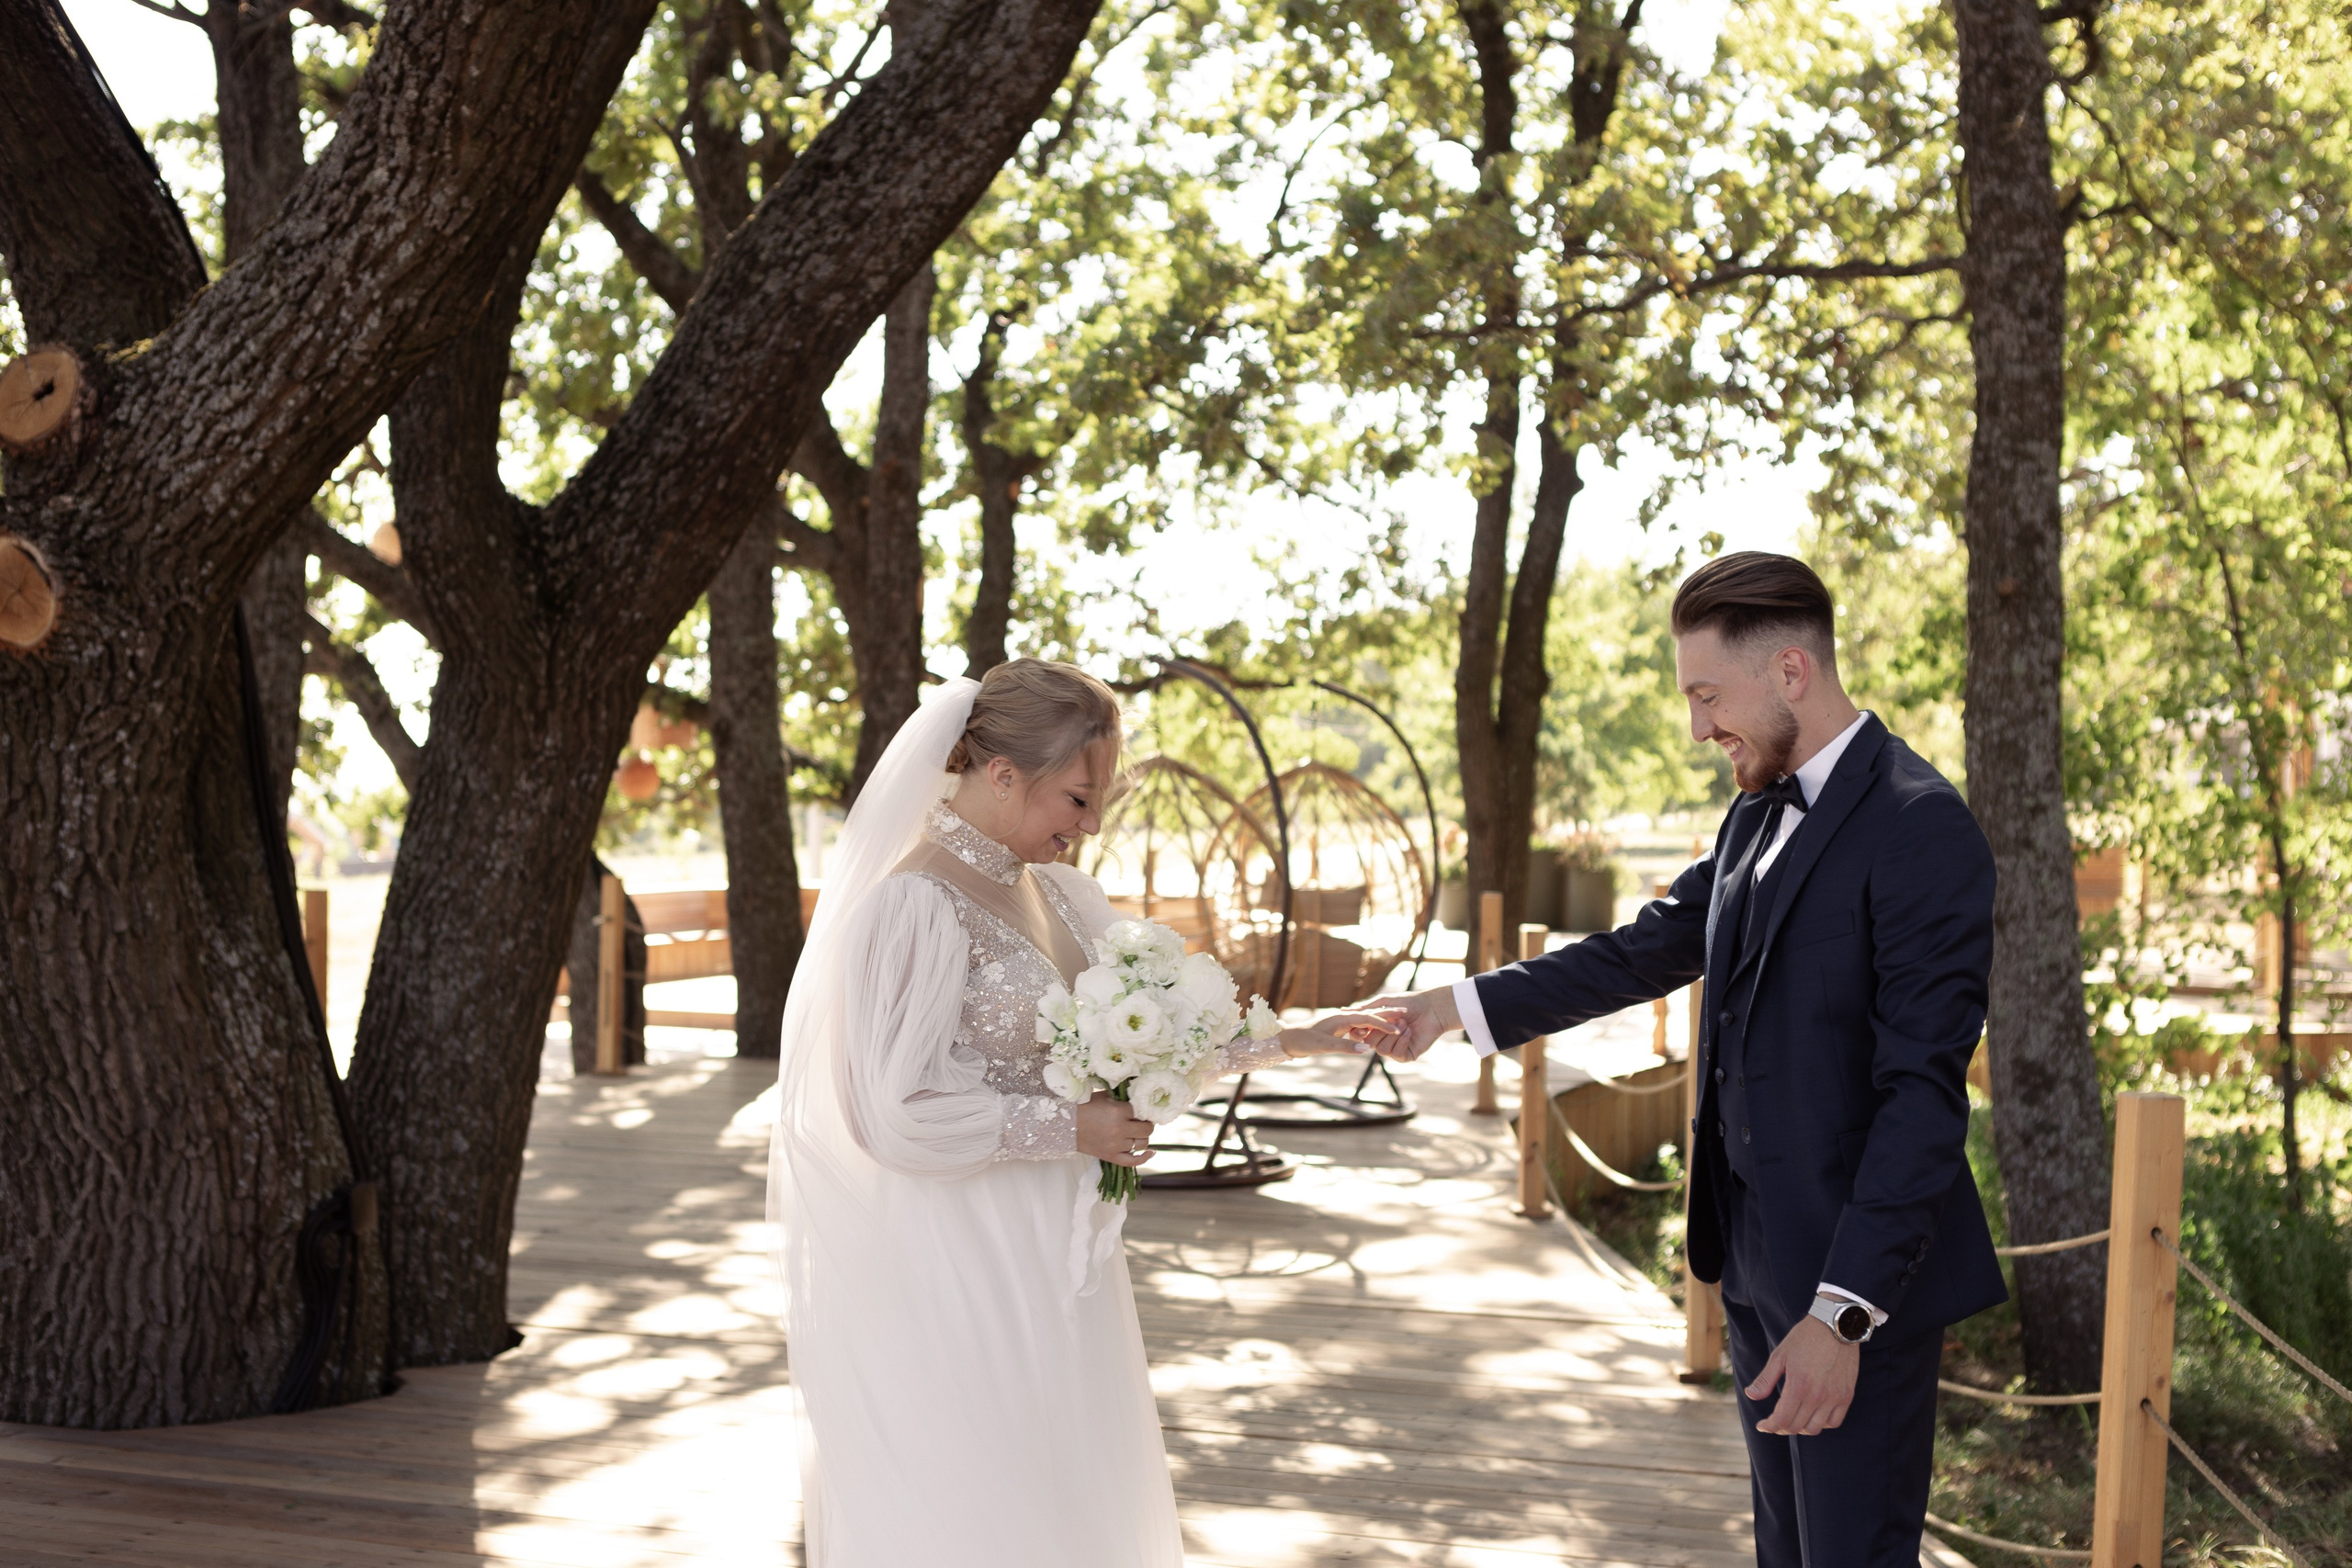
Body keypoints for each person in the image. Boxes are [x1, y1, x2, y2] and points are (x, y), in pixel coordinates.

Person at [1363, 553, 2007, 1568]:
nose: (1698, 728)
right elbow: (1640, 952)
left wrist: (1841, 1315)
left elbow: (1920, 1099)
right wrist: (1449, 1008)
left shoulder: (1919, 825)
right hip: (1749, 1270)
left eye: (1708, 696)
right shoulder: (1755, 808)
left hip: (1849, 1294)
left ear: (1790, 671)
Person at [768, 658, 1383, 1567]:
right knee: (983, 1483)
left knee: (1066, 1475)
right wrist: (1071, 1129)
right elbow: (887, 1110)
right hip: (959, 1246)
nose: (1091, 825)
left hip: (1059, 1240)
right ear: (1001, 774)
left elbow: (1149, 1035)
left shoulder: (1058, 891)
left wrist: (1295, 1040)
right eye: (1078, 799)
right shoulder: (914, 906)